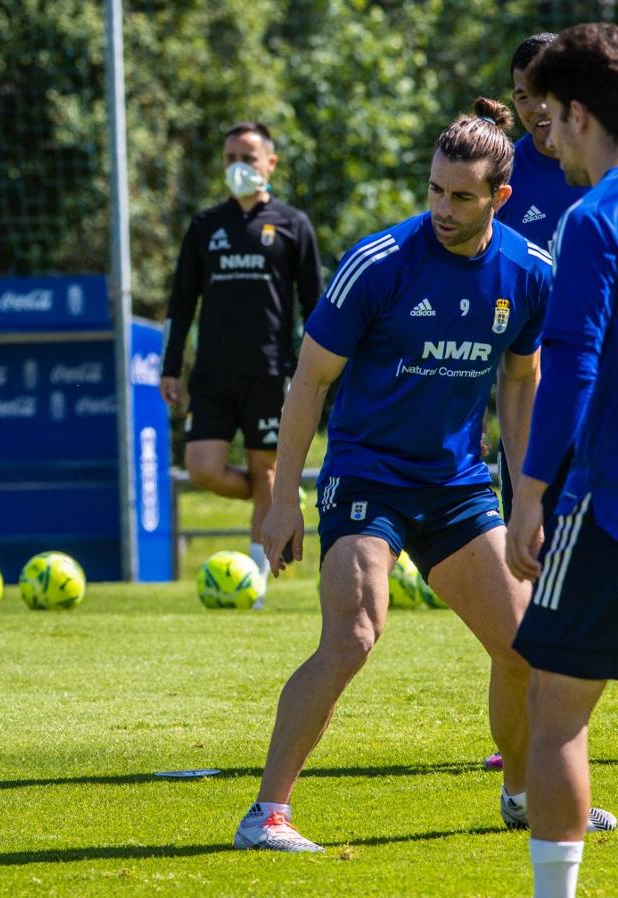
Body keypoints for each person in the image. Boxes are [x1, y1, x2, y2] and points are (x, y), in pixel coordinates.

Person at [238, 97, 614, 853]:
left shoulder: (528, 273)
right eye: (436, 190)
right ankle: (266, 815)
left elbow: (521, 380)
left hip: (457, 486)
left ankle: (521, 794)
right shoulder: (378, 263)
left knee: (525, 648)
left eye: (462, 196)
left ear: (500, 197)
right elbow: (308, 382)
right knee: (355, 633)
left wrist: (526, 495)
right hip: (366, 477)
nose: (443, 208)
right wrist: (283, 501)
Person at [505, 23, 618, 898]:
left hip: (606, 506)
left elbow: (571, 361)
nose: (548, 138)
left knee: (556, 714)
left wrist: (531, 492)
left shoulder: (593, 218)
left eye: (549, 118)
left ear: (579, 114)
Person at [484, 31, 593, 773]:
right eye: (521, 96)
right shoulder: (505, 176)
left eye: (543, 94)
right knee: (531, 578)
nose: (533, 110)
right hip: (533, 402)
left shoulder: (598, 171)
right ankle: (529, 740)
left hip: (599, 403)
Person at [160, 122, 322, 591]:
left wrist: (315, 370)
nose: (238, 166)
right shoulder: (205, 226)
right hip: (211, 374)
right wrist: (171, 368)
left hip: (269, 373)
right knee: (203, 469)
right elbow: (181, 303)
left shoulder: (293, 225)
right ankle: (270, 495)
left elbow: (315, 305)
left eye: (248, 158)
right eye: (230, 158)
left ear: (270, 163)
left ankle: (255, 583)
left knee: (266, 469)